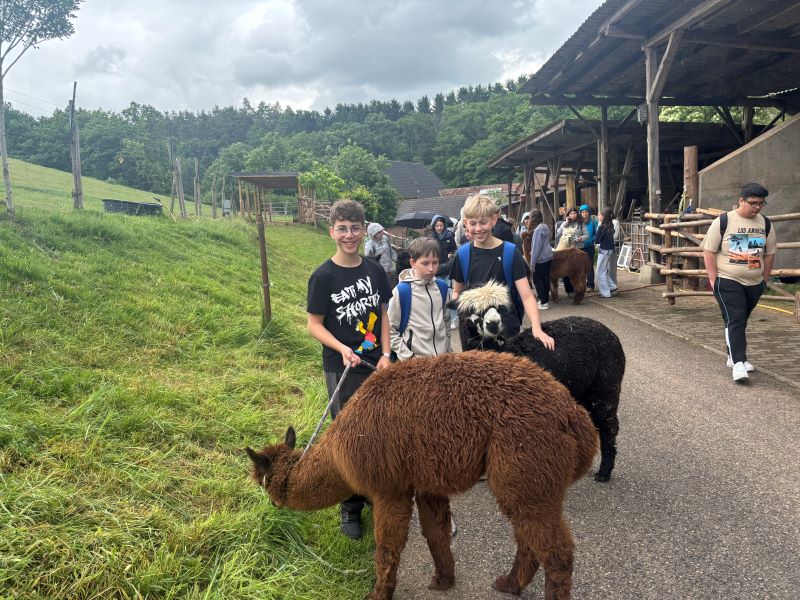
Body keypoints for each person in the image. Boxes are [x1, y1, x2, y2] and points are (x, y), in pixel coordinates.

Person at [306, 199, 393, 539]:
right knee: (349, 438)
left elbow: (384, 315)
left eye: (355, 227)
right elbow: (313, 325)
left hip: (378, 362)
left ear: (364, 229)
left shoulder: (374, 270)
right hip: (343, 367)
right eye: (342, 228)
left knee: (380, 432)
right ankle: (350, 506)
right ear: (332, 232)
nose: (349, 234)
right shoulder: (323, 276)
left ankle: (375, 492)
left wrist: (387, 353)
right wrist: (342, 349)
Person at [450, 194, 555, 349]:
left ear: (494, 219)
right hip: (474, 332)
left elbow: (526, 296)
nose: (478, 228)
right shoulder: (463, 254)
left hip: (505, 329)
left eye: (483, 222)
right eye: (473, 223)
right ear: (465, 223)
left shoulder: (511, 252)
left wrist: (536, 328)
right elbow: (457, 292)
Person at [701, 183, 776, 383]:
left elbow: (769, 254)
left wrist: (764, 280)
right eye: (753, 203)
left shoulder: (765, 224)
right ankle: (739, 363)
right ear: (741, 200)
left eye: (761, 204)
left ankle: (731, 355)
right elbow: (708, 250)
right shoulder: (724, 221)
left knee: (737, 320)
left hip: (754, 282)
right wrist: (712, 278)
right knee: (736, 318)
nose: (757, 207)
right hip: (728, 279)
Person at [388, 237, 452, 361]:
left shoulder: (442, 288)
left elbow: (446, 321)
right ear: (413, 263)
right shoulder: (402, 291)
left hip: (443, 360)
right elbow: (390, 330)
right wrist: (409, 357)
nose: (431, 268)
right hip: (415, 364)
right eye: (425, 263)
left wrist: (448, 349)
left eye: (435, 262)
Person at [555, 207, 588, 295]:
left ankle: (579, 290)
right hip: (566, 252)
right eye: (571, 214)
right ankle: (569, 290)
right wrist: (566, 223)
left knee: (576, 271)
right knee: (566, 270)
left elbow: (586, 235)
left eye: (574, 213)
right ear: (568, 215)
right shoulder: (565, 223)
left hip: (578, 250)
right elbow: (558, 232)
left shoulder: (581, 223)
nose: (573, 215)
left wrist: (581, 238)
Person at [527, 209, 553, 310]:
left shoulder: (537, 230)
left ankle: (543, 302)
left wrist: (532, 264)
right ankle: (545, 300)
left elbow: (536, 248)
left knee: (538, 280)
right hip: (548, 256)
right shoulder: (545, 226)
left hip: (540, 258)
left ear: (533, 218)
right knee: (545, 279)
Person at [364, 222, 398, 287]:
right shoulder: (369, 245)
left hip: (390, 269)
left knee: (391, 286)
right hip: (379, 272)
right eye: (379, 232)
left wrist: (396, 260)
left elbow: (391, 250)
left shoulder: (385, 238)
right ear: (373, 234)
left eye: (382, 231)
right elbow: (369, 262)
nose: (382, 233)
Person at [594, 208, 618, 299]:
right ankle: (612, 286)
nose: (598, 216)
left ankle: (605, 293)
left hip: (603, 251)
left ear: (604, 216)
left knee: (600, 272)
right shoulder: (611, 226)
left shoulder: (601, 227)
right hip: (610, 251)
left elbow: (596, 241)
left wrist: (598, 238)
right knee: (604, 271)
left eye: (600, 215)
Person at [579, 204, 598, 290]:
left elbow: (597, 234)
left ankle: (590, 285)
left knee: (589, 266)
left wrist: (591, 240)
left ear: (589, 213)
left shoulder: (593, 222)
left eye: (586, 212)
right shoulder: (578, 223)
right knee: (580, 266)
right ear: (580, 213)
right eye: (582, 212)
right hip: (580, 247)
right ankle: (581, 284)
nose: (584, 214)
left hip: (589, 247)